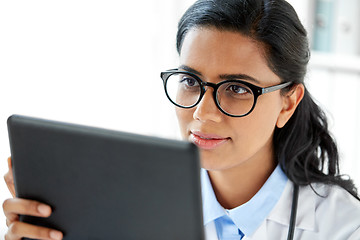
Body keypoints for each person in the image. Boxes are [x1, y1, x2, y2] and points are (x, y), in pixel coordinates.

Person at [3, 0, 360, 239]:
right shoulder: (126, 202)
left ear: (287, 103)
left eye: (236, 88)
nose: (202, 113)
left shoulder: (342, 227)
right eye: (191, 82)